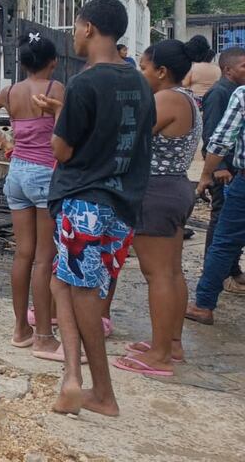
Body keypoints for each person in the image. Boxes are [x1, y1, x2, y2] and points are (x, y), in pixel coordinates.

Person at [33, 0, 154, 417]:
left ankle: (100, 390)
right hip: (122, 203)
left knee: (80, 291)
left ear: (87, 29)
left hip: (84, 198)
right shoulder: (139, 81)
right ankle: (72, 377)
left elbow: (62, 151)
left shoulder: (83, 83)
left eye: (75, 25)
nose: (72, 33)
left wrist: (59, 125)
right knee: (62, 283)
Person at [0, 32, 63, 358]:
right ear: (53, 63)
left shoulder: (11, 92)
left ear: (21, 63)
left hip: (17, 174)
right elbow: (68, 133)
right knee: (44, 258)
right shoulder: (56, 91)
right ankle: (44, 337)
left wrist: (3, 143)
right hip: (46, 176)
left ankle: (21, 328)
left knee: (23, 254)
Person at [113, 38, 204, 377]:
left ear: (162, 71)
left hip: (156, 191)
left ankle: (160, 355)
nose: (141, 73)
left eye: (144, 67)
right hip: (175, 188)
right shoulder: (187, 99)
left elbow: (129, 136)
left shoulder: (166, 99)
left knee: (158, 274)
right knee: (172, 271)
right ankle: (171, 344)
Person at [189, 67, 245, 325]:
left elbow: (220, 139)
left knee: (224, 242)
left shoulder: (241, 94)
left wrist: (206, 175)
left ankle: (203, 305)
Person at [200, 46, 245, 294]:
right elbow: (213, 135)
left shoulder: (234, 91)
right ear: (228, 70)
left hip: (233, 170)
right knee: (220, 222)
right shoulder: (220, 93)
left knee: (231, 226)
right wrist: (219, 168)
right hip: (222, 169)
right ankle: (218, 274)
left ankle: (232, 270)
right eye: (243, 67)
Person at [182, 35, 221, 100]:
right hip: (212, 98)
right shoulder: (217, 69)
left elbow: (185, 83)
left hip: (196, 98)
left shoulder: (194, 67)